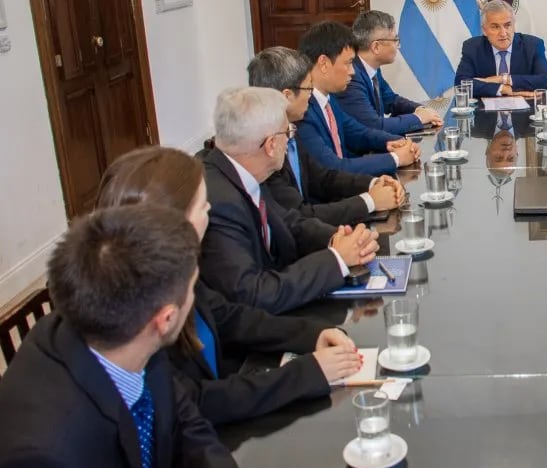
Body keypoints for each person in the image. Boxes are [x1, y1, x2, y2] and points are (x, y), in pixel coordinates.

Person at [0, 205, 258, 468]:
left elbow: (183, 421)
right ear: (166, 320)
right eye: (192, 289)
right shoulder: (40, 467)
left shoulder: (125, 331)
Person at [96, 146, 365, 425]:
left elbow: (229, 316)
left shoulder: (177, 268)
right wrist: (305, 374)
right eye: (202, 206)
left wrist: (312, 334)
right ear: (175, 222)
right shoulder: (135, 315)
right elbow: (198, 401)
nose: (209, 209)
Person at [201, 87, 379, 315]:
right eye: (289, 133)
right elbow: (254, 293)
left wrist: (336, 238)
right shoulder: (219, 201)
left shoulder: (243, 171)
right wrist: (336, 259)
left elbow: (288, 223)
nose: (290, 142)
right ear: (271, 145)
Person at [247, 46, 405, 226]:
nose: (310, 96)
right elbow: (300, 215)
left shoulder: (289, 130)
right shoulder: (267, 148)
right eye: (308, 88)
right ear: (287, 96)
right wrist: (370, 201)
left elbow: (323, 177)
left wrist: (373, 183)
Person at [297, 21, 420, 176]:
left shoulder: (328, 100)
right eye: (348, 63)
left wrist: (396, 142)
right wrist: (395, 159)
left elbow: (357, 132)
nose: (352, 72)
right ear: (324, 63)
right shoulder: (302, 110)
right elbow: (334, 168)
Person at [340, 10, 443, 135]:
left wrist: (420, 109)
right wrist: (418, 118)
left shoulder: (372, 67)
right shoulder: (351, 77)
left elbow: (391, 100)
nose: (398, 46)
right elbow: (374, 126)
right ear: (376, 47)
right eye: (395, 40)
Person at [454, 0, 547, 98]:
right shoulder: (472, 47)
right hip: (485, 113)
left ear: (514, 26)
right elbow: (461, 84)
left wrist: (503, 79)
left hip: (524, 113)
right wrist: (503, 89)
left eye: (507, 25)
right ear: (484, 30)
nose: (503, 33)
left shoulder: (532, 45)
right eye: (495, 27)